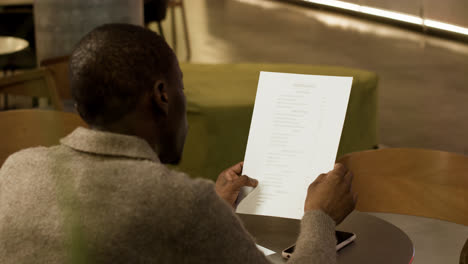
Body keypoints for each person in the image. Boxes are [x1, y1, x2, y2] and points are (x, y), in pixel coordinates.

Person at [0, 24, 356, 263]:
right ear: (162, 96)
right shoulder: (182, 205)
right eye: (181, 87)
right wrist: (320, 218)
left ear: (80, 109)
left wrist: (214, 210)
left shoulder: (16, 170)